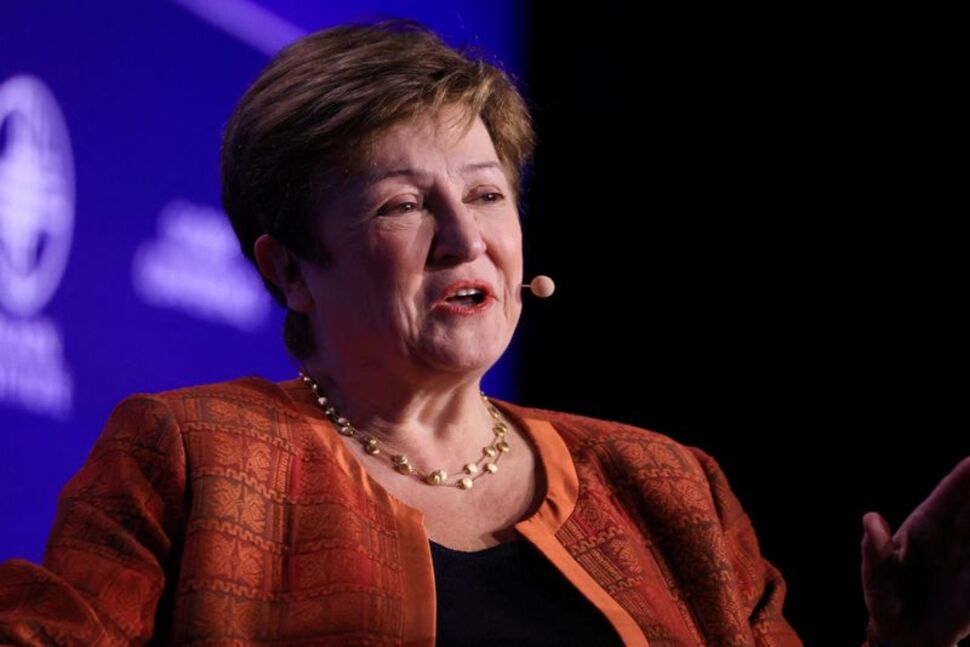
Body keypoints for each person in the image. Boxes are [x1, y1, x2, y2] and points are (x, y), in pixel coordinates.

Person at [0, 18, 967, 646]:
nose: (466, 239)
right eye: (402, 205)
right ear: (288, 267)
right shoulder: (193, 456)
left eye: (486, 193)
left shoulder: (671, 490)